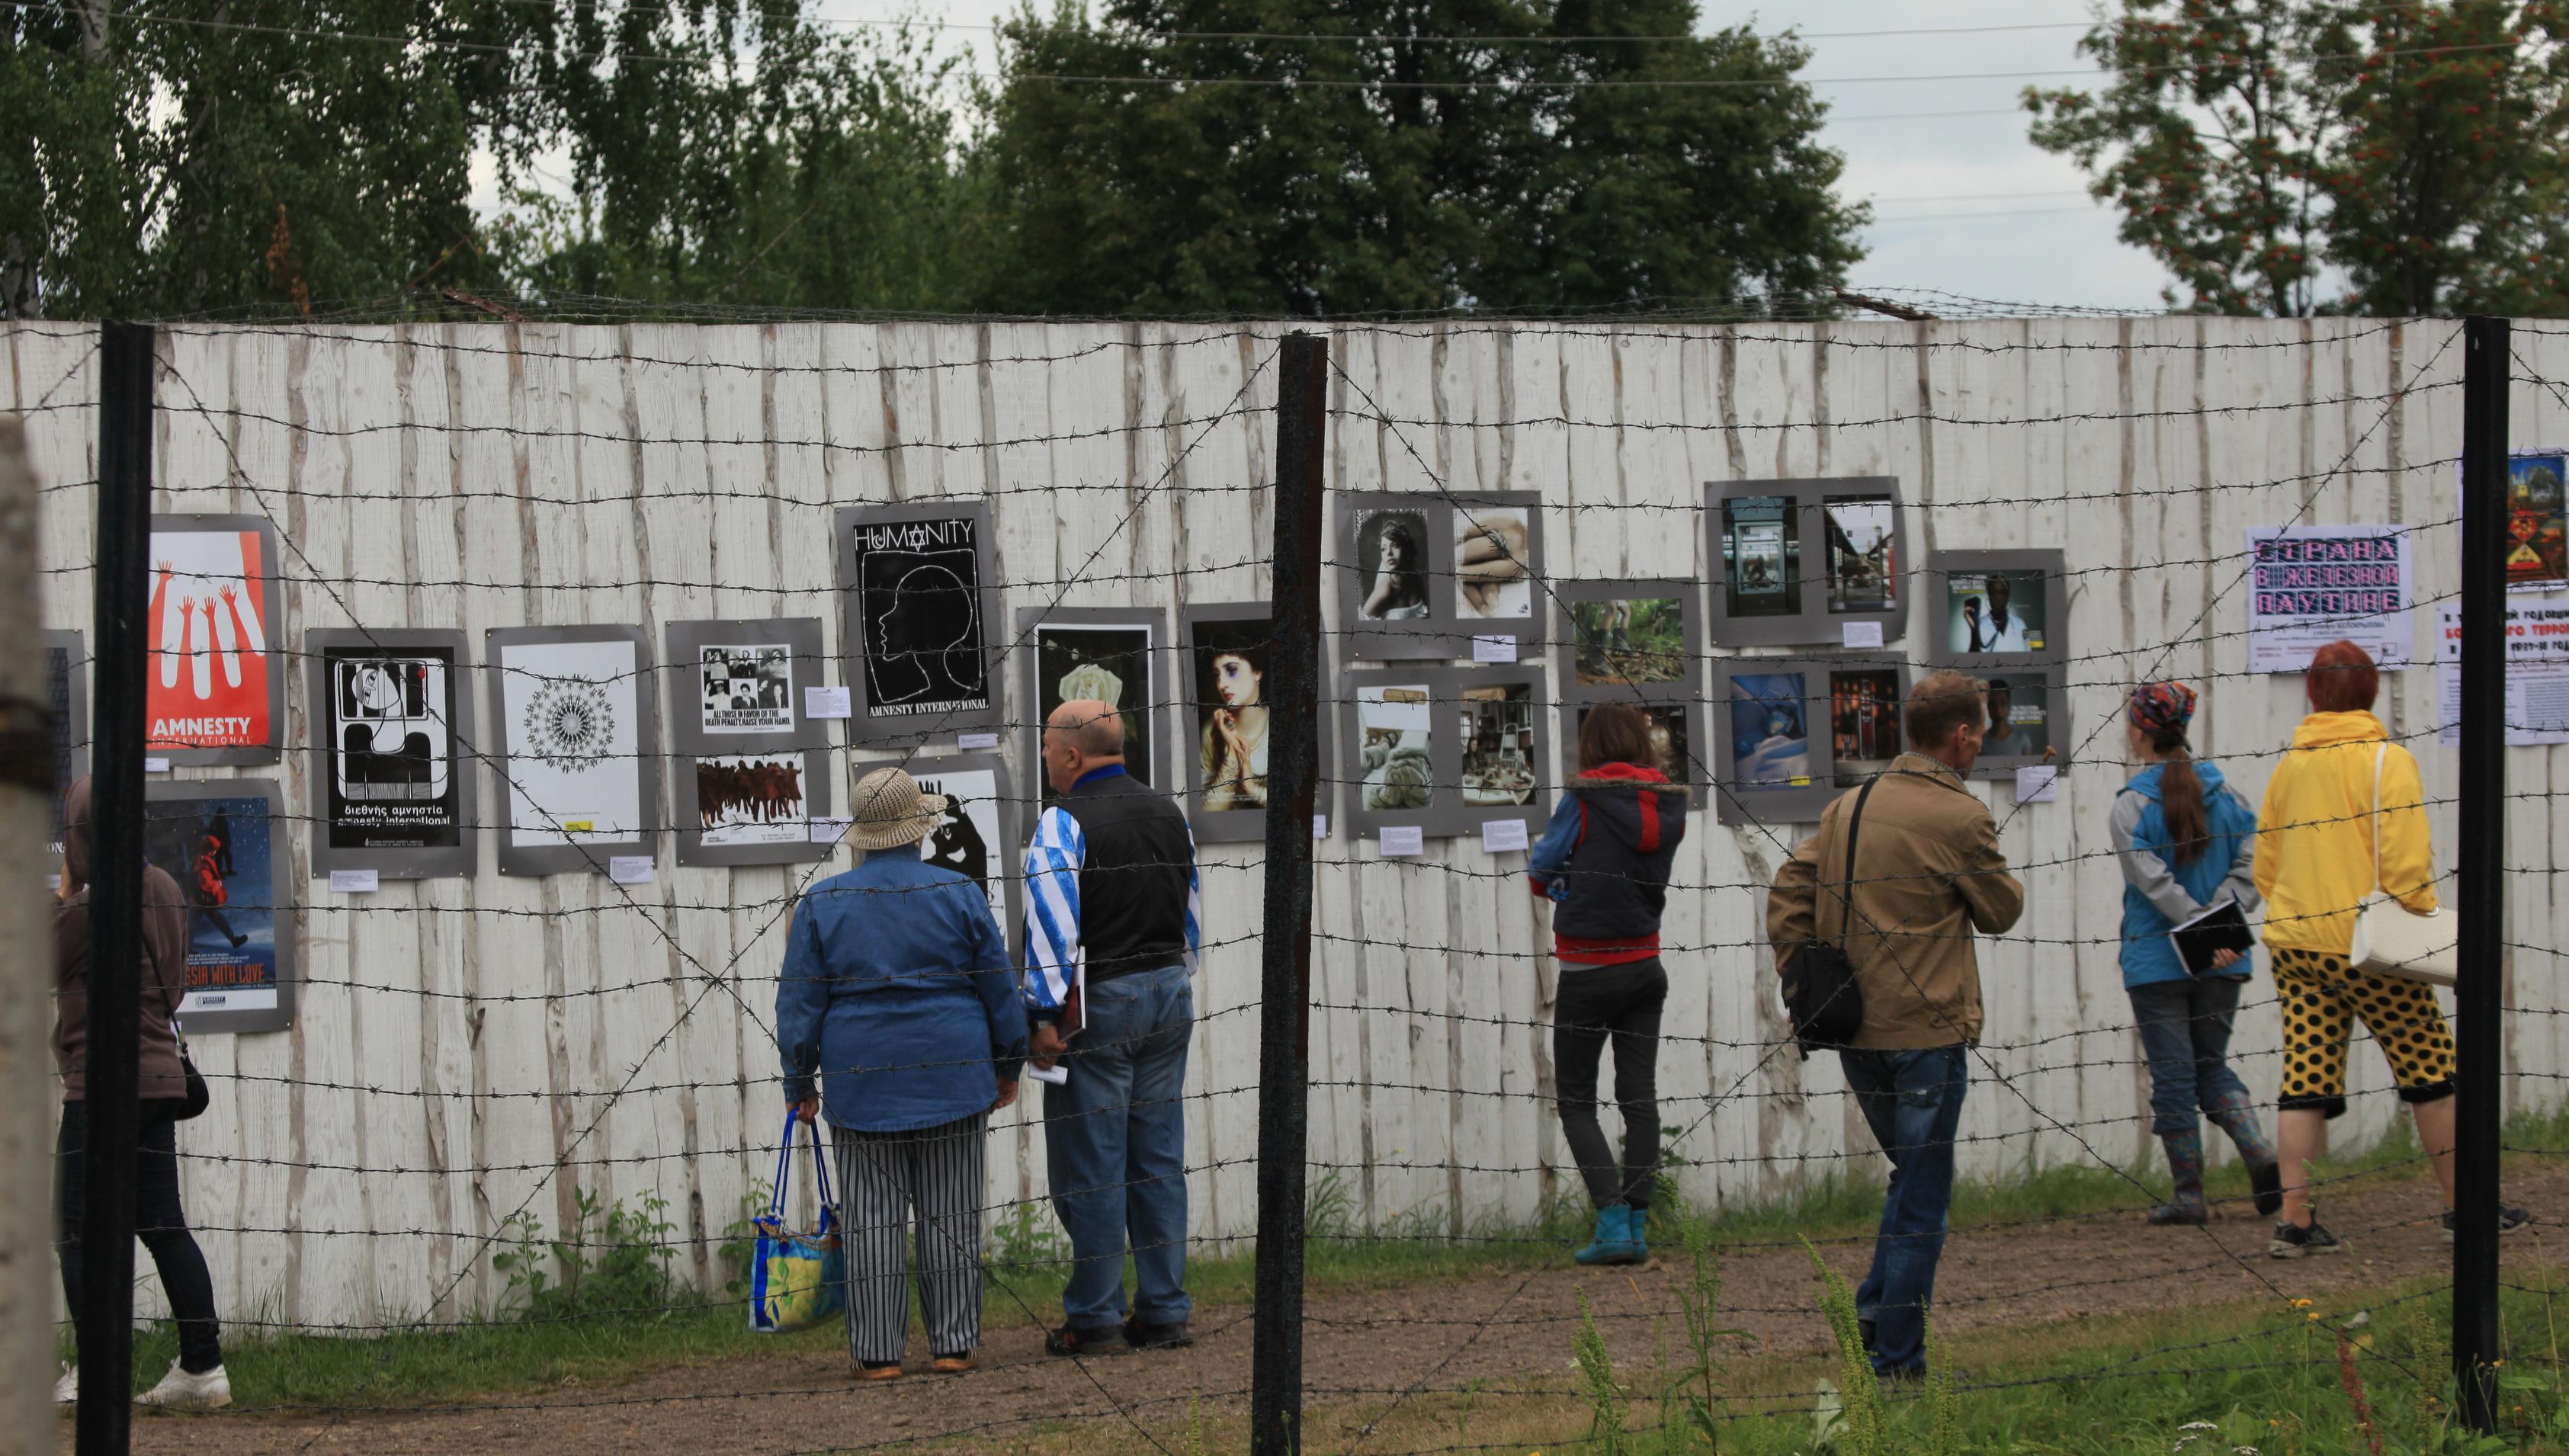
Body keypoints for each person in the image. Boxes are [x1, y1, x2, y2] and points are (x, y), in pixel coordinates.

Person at [1766, 671, 2024, 1381]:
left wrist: (1800, 968)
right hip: (1926, 1034)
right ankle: (1897, 1361)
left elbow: (1789, 885)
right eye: (1979, 733)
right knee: (1923, 1197)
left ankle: (1875, 1315)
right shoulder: (1960, 816)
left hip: (1854, 1031)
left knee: (1911, 1181)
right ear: (1963, 736)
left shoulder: (1853, 804)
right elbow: (2003, 911)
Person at [2252, 640, 2529, 1256]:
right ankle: (2467, 1208)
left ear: (2313, 695)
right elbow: (2405, 866)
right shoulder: (2387, 760)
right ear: (2372, 691)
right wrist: (2423, 916)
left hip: (2296, 943)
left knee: (2306, 1076)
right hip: (2367, 945)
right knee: (2429, 1069)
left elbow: (2265, 863)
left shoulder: (2290, 766)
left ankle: (2295, 1222)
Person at [777, 766, 1026, 1379]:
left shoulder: (822, 904)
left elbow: (799, 1005)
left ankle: (879, 1353)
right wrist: (1008, 1062)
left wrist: (799, 1082)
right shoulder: (960, 892)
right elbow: (999, 990)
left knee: (872, 1221)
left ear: (861, 839)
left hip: (862, 1082)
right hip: (954, 1073)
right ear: (921, 832)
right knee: (950, 1215)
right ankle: (953, 1344)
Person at [1023, 700, 1202, 1357]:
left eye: (1047, 747)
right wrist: (1176, 979)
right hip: (1167, 992)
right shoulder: (1169, 812)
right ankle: (1163, 1311)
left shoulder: (1062, 821)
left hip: (1099, 1002)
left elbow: (1052, 921)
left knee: (1093, 1162)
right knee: (1157, 1158)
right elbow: (1191, 916)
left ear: (1073, 756)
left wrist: (1042, 1015)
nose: (1043, 758)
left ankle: (1094, 1316)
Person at [53, 776, 230, 1409]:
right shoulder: (165, 889)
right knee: (162, 1223)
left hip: (98, 1087)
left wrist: (68, 893)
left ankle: (97, 1376)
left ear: (79, 839)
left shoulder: (82, 912)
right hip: (157, 1080)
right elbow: (175, 990)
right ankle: (203, 1367)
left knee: (74, 1231)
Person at [1525, 703, 1690, 1265]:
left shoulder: (1583, 799)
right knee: (1638, 1098)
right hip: (1646, 964)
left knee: (1576, 1099)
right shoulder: (1672, 803)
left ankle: (1613, 1226)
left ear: (1591, 747)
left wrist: (1563, 887)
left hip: (1588, 969)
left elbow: (1540, 868)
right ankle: (1640, 1226)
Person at [2112, 681, 2281, 1225]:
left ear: (2140, 731)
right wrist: (2216, 927)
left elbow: (2151, 881)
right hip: (2224, 958)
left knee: (2174, 1076)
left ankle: (2189, 1195)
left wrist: (2193, 925)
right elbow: (2252, 867)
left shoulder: (2132, 805)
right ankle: (2259, 1152)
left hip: (2156, 963)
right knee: (2213, 1066)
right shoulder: (2230, 797)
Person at [1198, 644, 1268, 810]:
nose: (1222, 684)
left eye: (1231, 670)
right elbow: (1208, 813)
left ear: (1257, 673)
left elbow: (1309, 808)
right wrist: (1233, 753)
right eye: (1217, 675)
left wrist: (1252, 789)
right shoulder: (1212, 730)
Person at [1361, 518, 1429, 620]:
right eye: (1383, 549)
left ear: (1406, 549)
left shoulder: (1417, 579)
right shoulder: (1386, 588)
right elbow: (1362, 620)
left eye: (1395, 546)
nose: (1388, 553)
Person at [190, 834, 248, 950]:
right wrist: (216, 885)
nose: (216, 852)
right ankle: (233, 939)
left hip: (200, 898)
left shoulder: (200, 859)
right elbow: (205, 882)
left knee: (195, 921)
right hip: (204, 898)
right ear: (209, 850)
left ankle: (185, 947)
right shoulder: (204, 863)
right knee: (208, 920)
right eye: (214, 850)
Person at [1981, 678, 2035, 757]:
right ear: (1987, 706)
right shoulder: (1981, 741)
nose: (1998, 710)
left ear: (2009, 704)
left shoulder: (2023, 739)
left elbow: (2029, 768)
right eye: (1992, 704)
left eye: (2003, 703)